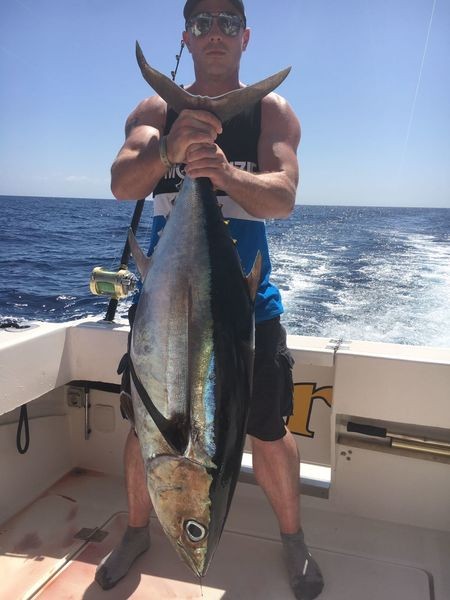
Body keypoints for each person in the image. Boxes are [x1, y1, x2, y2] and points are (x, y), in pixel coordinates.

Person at [95, 1, 324, 598]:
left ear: (245, 37)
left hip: (245, 311)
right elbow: (121, 183)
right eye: (202, 24)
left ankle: (294, 540)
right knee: (144, 424)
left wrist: (222, 174)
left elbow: (283, 196)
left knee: (268, 427)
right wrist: (167, 152)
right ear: (187, 37)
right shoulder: (156, 110)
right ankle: (137, 531)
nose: (214, 33)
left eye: (227, 23)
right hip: (163, 311)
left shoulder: (269, 111)